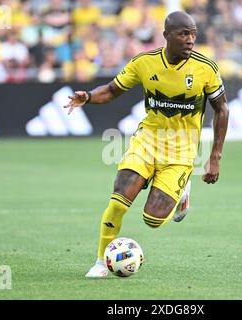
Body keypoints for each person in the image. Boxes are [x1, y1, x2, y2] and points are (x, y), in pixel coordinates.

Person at [64, 11, 229, 277]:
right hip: (147, 141)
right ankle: (100, 262)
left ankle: (182, 188)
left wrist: (215, 156)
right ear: (167, 35)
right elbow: (112, 89)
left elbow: (222, 110)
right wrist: (89, 97)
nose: (190, 40)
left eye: (193, 34)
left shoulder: (205, 68)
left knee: (152, 220)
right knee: (118, 201)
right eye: (183, 34)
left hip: (182, 150)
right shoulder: (145, 63)